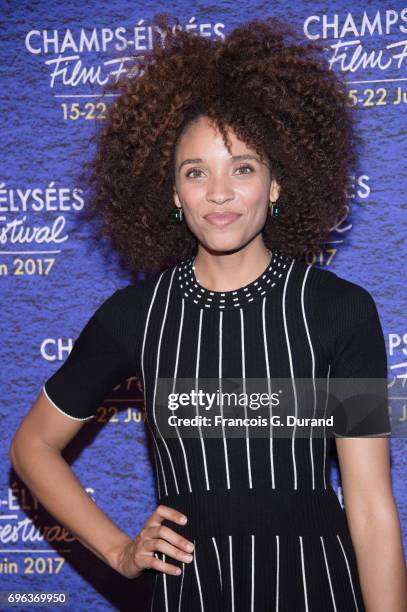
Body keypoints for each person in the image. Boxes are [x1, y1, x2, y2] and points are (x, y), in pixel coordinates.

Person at [9, 13, 407, 612]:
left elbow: (372, 506)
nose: (218, 193)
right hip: (189, 595)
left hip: (317, 591)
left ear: (276, 183)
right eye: (196, 172)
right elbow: (32, 445)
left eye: (242, 167)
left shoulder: (341, 313)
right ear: (172, 191)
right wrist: (120, 553)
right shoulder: (135, 316)